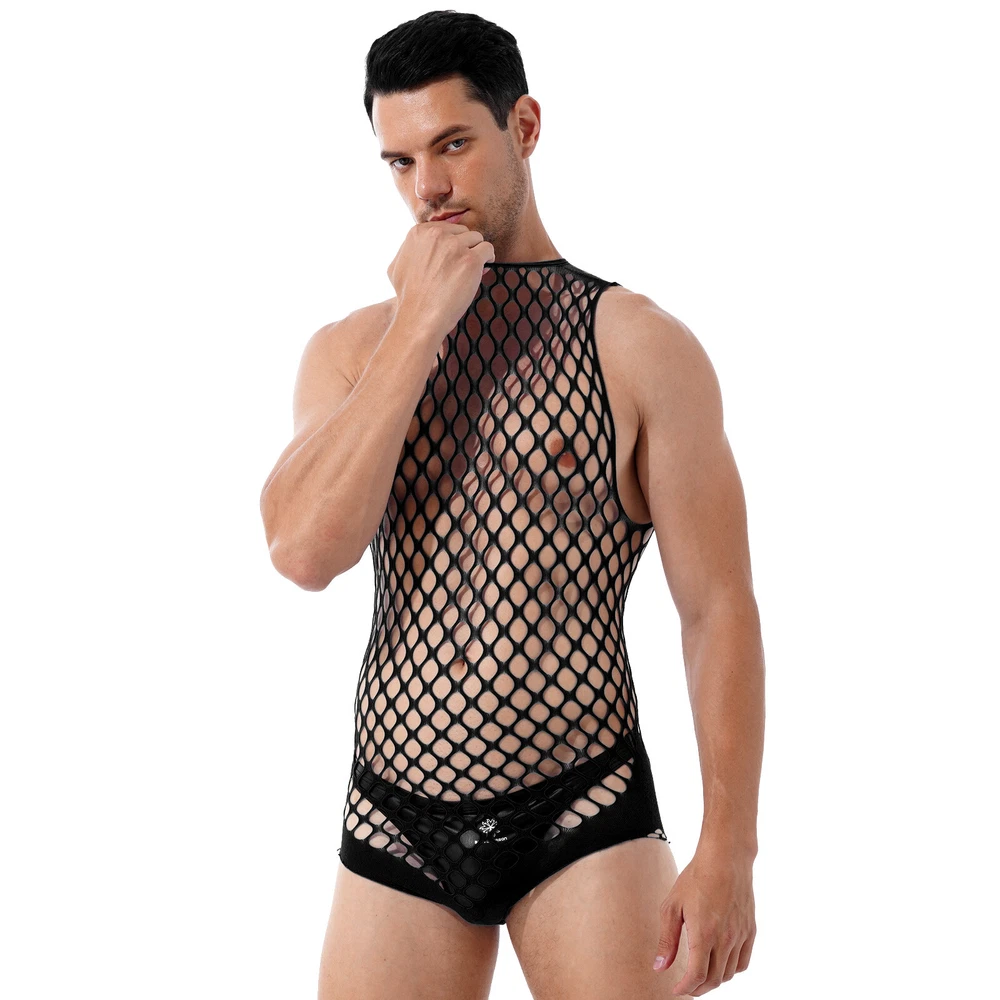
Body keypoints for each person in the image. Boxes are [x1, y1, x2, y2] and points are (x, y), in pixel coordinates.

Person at [259, 10, 763, 1000]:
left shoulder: (637, 345)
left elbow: (717, 607)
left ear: (523, 126)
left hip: (583, 808)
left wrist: (729, 850)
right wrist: (420, 324)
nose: (428, 188)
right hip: (395, 814)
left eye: (453, 144)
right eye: (400, 161)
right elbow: (304, 551)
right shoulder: (351, 350)